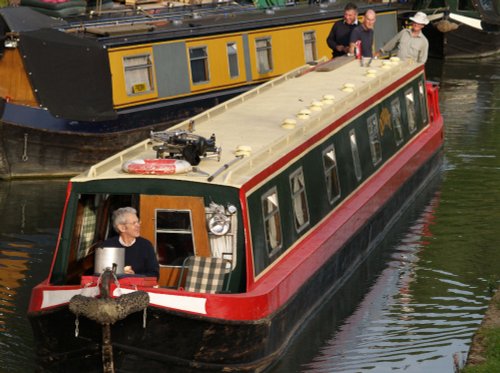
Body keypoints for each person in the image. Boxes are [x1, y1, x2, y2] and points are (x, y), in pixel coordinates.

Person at [102, 207, 160, 278]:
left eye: (138, 222)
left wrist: (134, 276)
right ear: (122, 228)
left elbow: (154, 275)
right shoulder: (107, 246)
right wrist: (120, 274)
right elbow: (100, 275)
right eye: (134, 223)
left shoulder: (146, 245)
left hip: (139, 288)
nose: (138, 225)